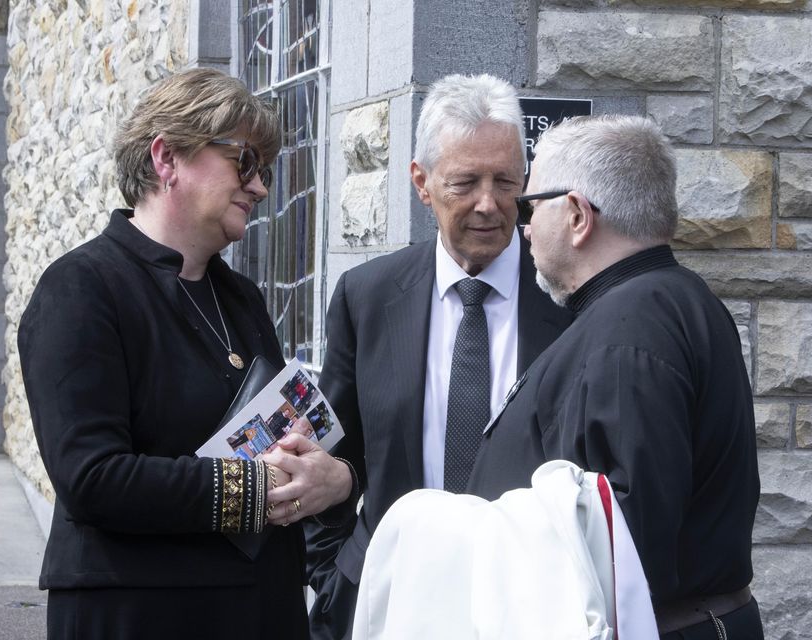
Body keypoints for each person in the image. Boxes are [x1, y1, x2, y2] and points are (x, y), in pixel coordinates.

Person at [18, 67, 331, 639]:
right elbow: (92, 478)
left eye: (265, 170)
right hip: (142, 613)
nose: (260, 187)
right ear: (166, 159)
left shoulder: (242, 298)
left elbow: (284, 433)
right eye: (245, 161)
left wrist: (329, 480)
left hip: (261, 610)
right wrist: (255, 488)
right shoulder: (80, 288)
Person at [290, 73, 572, 639]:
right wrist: (334, 580)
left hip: (530, 605)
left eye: (506, 181)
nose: (489, 205)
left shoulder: (567, 299)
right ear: (421, 182)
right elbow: (339, 456)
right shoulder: (367, 297)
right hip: (393, 598)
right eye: (465, 182)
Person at [467, 115, 763, 638]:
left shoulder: (632, 330)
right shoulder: (661, 304)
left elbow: (624, 547)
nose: (526, 227)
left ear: (578, 215)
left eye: (533, 206)